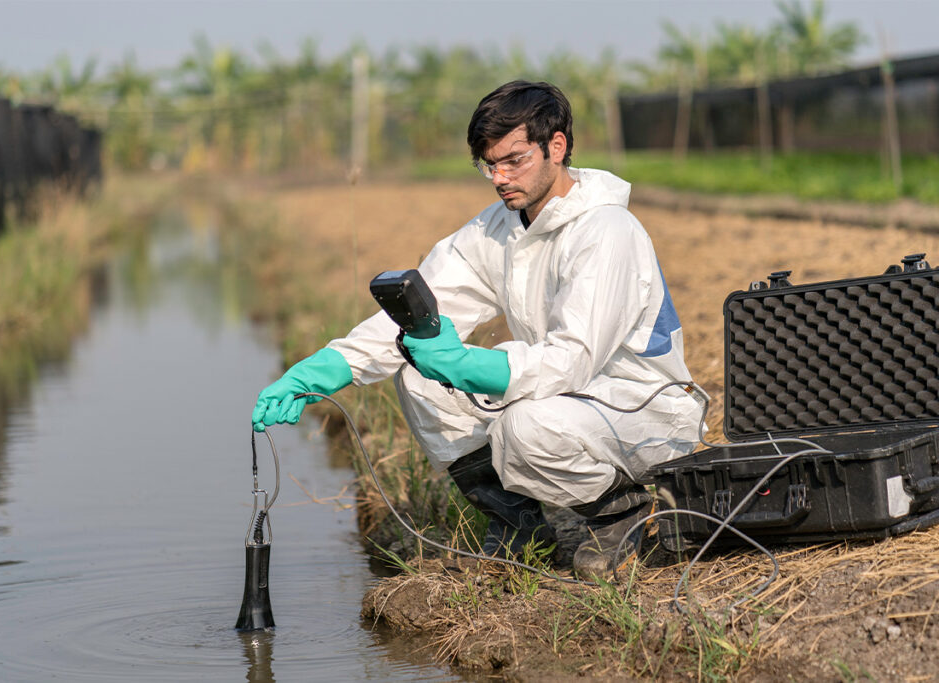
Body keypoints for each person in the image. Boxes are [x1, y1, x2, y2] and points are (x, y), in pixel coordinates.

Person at [251, 81, 704, 579]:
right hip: (565, 401)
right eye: (489, 164)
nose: (499, 177)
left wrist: (465, 364)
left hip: (639, 407)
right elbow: (416, 316)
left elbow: (569, 360)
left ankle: (623, 514)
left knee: (526, 428)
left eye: (514, 160)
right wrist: (320, 371)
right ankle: (519, 522)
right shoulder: (498, 229)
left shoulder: (607, 232)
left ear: (556, 146)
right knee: (421, 377)